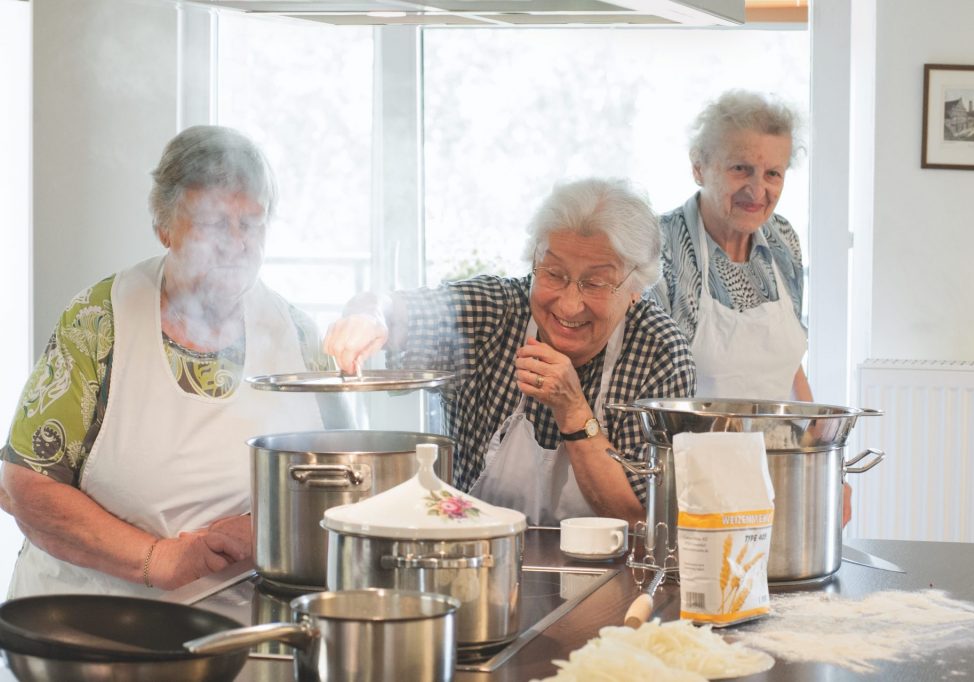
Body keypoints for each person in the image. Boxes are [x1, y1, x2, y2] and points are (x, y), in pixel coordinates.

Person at [0, 125, 345, 597]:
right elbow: (24, 487)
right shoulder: (99, 321)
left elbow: (347, 485)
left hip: (235, 619)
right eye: (213, 223)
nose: (235, 243)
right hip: (89, 613)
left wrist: (269, 526)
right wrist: (159, 559)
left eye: (251, 223)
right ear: (164, 226)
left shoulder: (299, 335)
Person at [324, 178, 695, 526]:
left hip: (610, 570)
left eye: (595, 282)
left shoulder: (660, 351)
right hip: (476, 555)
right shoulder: (496, 313)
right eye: (553, 274)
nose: (569, 304)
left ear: (636, 288)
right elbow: (395, 308)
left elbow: (642, 521)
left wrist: (573, 411)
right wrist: (370, 317)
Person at [652, 89, 851, 523]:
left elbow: (789, 366)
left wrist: (826, 459)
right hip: (692, 479)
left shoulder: (782, 240)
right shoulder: (659, 245)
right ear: (699, 166)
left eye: (773, 173)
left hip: (780, 469)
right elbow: (643, 386)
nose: (757, 190)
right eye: (740, 168)